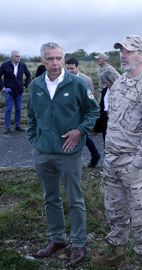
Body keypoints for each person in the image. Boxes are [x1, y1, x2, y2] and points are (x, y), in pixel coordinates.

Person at [91, 35, 142, 269]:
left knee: (140, 215)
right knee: (114, 209)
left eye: (129, 51)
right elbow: (113, 121)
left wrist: (139, 163)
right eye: (121, 50)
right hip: (112, 160)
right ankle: (117, 252)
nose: (123, 55)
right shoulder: (120, 82)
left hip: (135, 164)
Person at [28, 42, 99, 266]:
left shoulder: (77, 83)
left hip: (69, 153)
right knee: (51, 198)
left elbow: (93, 110)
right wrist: (35, 140)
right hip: (43, 152)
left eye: (59, 58)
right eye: (50, 58)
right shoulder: (36, 85)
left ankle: (78, 243)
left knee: (75, 199)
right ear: (42, 60)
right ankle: (57, 239)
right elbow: (31, 116)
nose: (56, 63)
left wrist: (80, 131)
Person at [65, 57, 101, 167]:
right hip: (69, 111)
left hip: (81, 112)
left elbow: (91, 97)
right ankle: (93, 155)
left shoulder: (86, 79)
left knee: (80, 133)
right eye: (68, 69)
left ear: (77, 67)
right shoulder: (64, 79)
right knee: (76, 134)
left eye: (71, 68)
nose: (69, 71)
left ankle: (93, 155)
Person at [0, 50, 31, 134]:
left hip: (19, 91)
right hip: (9, 91)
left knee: (18, 109)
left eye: (19, 56)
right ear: (12, 57)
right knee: (8, 109)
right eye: (17, 56)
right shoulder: (5, 65)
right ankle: (7, 127)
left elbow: (28, 75)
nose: (19, 58)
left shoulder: (22, 65)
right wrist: (2, 87)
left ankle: (17, 126)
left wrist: (26, 84)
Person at [96, 70, 119, 142]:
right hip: (105, 118)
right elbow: (102, 106)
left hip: (116, 119)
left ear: (111, 79)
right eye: (104, 82)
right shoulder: (105, 90)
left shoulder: (120, 91)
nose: (105, 84)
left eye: (106, 82)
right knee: (106, 139)